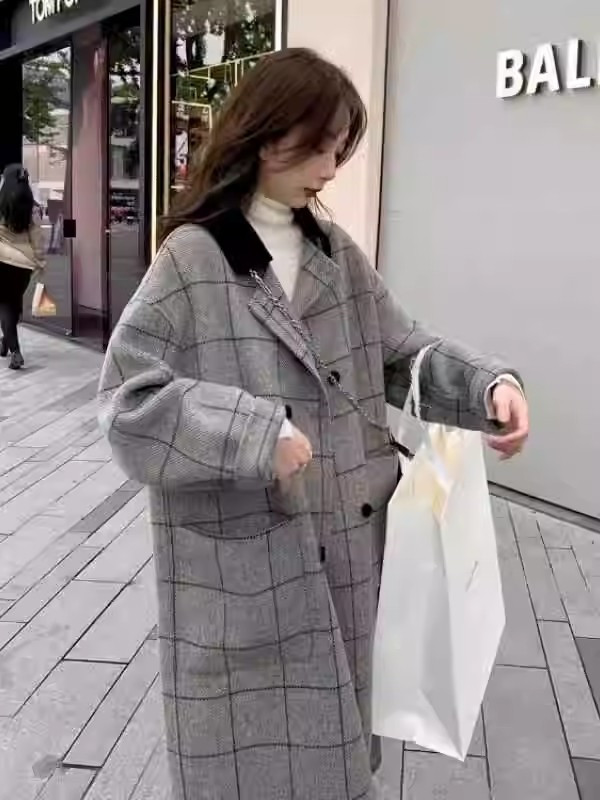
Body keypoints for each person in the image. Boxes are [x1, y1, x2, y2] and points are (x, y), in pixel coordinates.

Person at [98, 49, 529, 800]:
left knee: (337, 758)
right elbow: (128, 402)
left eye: (341, 150)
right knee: (249, 765)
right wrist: (251, 433)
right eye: (321, 147)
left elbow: (401, 351)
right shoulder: (193, 257)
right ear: (268, 136)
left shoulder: (336, 255)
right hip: (243, 563)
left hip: (348, 556)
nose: (331, 169)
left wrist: (487, 386)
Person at [0, 164, 46, 370]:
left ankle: (15, 351)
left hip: (2, 261)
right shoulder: (32, 207)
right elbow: (37, 238)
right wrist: (40, 261)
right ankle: (5, 342)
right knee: (13, 303)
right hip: (23, 265)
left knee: (5, 306)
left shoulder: (1, 203)